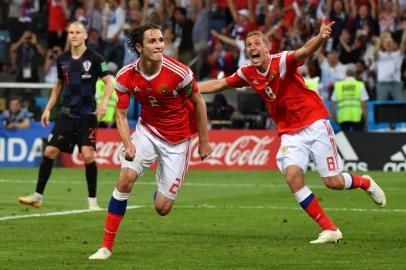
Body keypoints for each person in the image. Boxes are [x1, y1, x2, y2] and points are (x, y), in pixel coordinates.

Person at [198, 20, 387, 244]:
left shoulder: (283, 61)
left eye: (257, 43)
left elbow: (305, 50)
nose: (252, 48)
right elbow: (220, 85)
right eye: (248, 45)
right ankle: (330, 229)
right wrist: (190, 89)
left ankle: (364, 182)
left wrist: (321, 37)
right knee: (293, 178)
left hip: (315, 123)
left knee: (333, 182)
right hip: (290, 133)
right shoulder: (247, 73)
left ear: (268, 47)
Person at [88, 23, 212, 260]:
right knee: (124, 181)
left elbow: (198, 102)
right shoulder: (125, 76)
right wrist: (128, 145)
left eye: (161, 40)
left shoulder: (179, 72)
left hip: (178, 141)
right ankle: (106, 247)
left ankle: (161, 192)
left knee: (162, 208)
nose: (159, 45)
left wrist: (204, 141)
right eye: (153, 41)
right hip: (148, 131)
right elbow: (121, 116)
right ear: (139, 47)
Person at [18, 21, 113, 210]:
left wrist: (103, 103)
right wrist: (47, 109)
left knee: (87, 155)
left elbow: (109, 82)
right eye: (71, 32)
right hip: (67, 114)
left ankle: (92, 202)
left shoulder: (95, 58)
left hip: (87, 115)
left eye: (78, 32)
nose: (74, 35)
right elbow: (58, 87)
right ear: (68, 36)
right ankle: (37, 196)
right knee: (49, 152)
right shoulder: (62, 59)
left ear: (85, 35)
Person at [330, 65, 369, 131]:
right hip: (357, 118)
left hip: (343, 118)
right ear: (355, 73)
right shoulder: (360, 85)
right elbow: (364, 105)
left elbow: (332, 105)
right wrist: (365, 120)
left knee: (345, 140)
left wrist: (334, 118)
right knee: (357, 140)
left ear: (345, 73)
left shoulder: (338, 85)